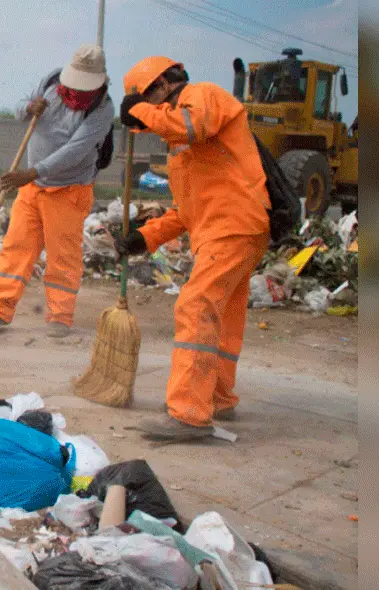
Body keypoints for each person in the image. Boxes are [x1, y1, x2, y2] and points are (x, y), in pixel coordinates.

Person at [117, 56, 271, 439]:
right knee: (223, 316)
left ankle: (188, 414)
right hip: (232, 228)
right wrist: (145, 237)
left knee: (197, 306)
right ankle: (218, 398)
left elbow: (190, 124)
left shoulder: (204, 96)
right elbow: (187, 210)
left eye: (149, 103)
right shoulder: (185, 151)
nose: (151, 117)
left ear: (164, 85)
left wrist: (139, 110)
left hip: (233, 226)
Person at [0, 44, 115, 339]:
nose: (75, 94)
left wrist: (31, 172)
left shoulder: (103, 109)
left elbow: (76, 151)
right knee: (16, 247)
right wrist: (29, 108)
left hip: (69, 189)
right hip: (32, 188)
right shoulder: (51, 83)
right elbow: (19, 110)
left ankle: (60, 315)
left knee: (62, 255)